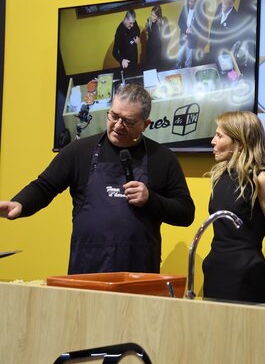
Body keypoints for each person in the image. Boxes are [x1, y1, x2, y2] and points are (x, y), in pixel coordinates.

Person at [0, 84, 195, 274]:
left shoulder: (162, 158)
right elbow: (45, 186)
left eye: (128, 121)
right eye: (114, 116)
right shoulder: (79, 151)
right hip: (86, 271)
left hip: (139, 275)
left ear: (145, 124)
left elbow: (186, 213)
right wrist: (20, 203)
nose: (118, 125)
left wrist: (150, 199)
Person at [202, 111, 265, 304]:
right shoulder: (220, 176)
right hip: (215, 270)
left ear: (239, 142)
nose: (213, 141)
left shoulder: (261, 178)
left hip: (247, 274)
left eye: (219, 136)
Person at [176, 0, 202, 68]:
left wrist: (192, 31)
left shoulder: (199, 12)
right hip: (183, 37)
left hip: (192, 40)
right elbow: (180, 22)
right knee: (178, 59)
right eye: (189, 1)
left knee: (188, 62)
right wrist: (186, 30)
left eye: (192, 1)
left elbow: (200, 28)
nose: (189, 3)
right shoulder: (185, 7)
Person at [112, 10, 141, 77]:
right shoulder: (119, 31)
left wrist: (138, 37)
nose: (132, 25)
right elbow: (114, 52)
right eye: (130, 23)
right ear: (125, 19)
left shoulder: (133, 23)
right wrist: (122, 60)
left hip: (134, 58)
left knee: (135, 77)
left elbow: (137, 31)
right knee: (128, 79)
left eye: (133, 23)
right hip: (126, 62)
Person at [143, 5, 170, 71]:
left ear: (158, 16)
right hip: (150, 46)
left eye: (154, 16)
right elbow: (146, 31)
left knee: (156, 64)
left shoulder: (161, 22)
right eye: (151, 14)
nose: (152, 17)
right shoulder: (149, 20)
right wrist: (147, 28)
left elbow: (165, 34)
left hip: (157, 46)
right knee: (149, 64)